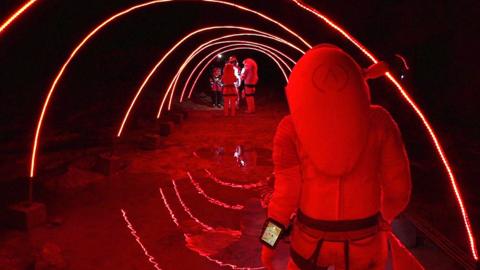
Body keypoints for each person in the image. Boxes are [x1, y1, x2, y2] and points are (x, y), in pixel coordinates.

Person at [261, 44, 414, 270]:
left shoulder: (290, 129)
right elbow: (399, 188)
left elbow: (285, 197)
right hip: (365, 243)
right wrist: (384, 218)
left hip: (308, 243)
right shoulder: (380, 122)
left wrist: (268, 245)